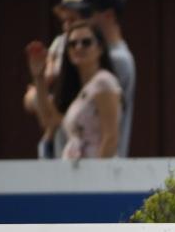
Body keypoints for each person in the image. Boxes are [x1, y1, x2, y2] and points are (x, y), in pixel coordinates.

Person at [28, 22, 123, 160]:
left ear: (100, 48)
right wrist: (39, 77)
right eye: (72, 44)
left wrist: (100, 177)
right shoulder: (79, 89)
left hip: (95, 175)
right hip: (78, 173)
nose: (78, 47)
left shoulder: (103, 82)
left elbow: (111, 137)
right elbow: (49, 121)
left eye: (86, 42)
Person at [23, 0, 86, 158]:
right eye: (65, 21)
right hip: (55, 99)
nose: (68, 26)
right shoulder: (59, 43)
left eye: (73, 20)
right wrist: (40, 77)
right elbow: (48, 74)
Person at [75, 0, 136, 156]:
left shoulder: (117, 60)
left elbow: (108, 131)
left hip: (102, 164)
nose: (81, 20)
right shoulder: (115, 55)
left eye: (87, 14)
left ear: (108, 15)